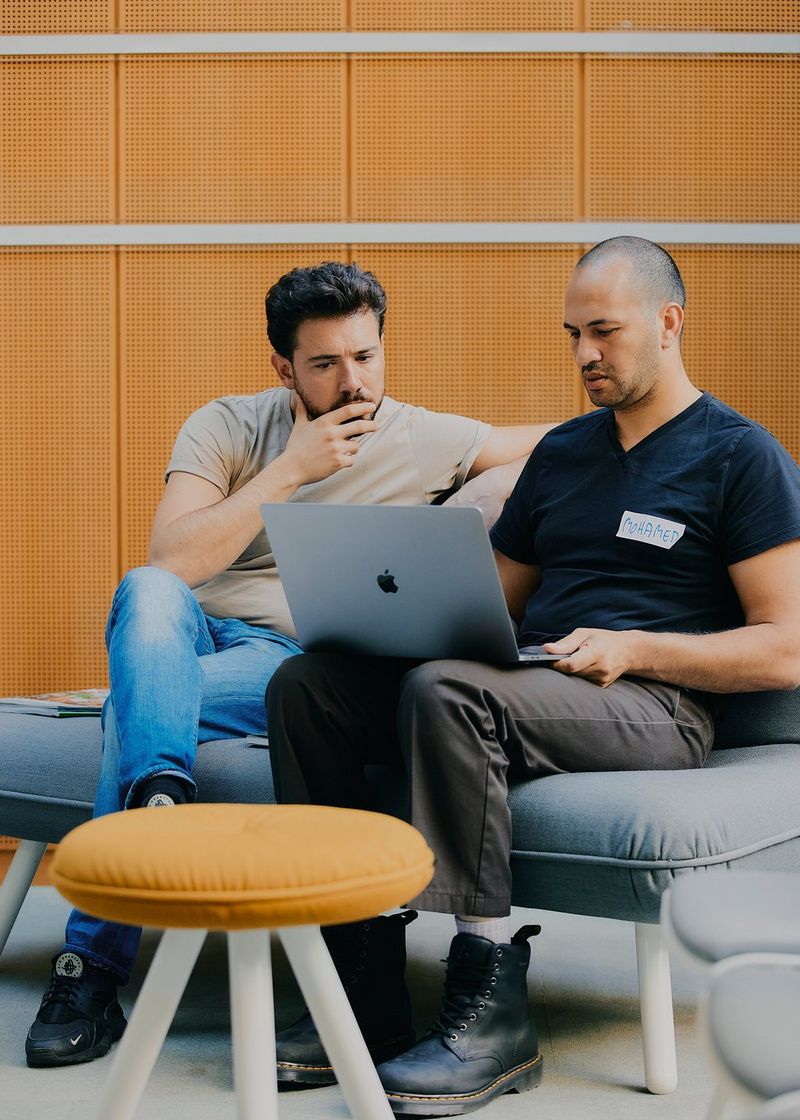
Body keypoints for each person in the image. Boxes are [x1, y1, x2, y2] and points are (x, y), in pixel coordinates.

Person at [266, 237, 800, 1116]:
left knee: (448, 691)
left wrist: (637, 647)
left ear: (668, 324)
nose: (585, 354)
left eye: (604, 331)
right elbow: (490, 607)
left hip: (655, 703)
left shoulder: (740, 456)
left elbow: (783, 646)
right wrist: (387, 618)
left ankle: (492, 1018)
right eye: (572, 335)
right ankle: (359, 982)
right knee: (307, 688)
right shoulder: (563, 455)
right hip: (539, 681)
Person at [25, 262, 552, 1069]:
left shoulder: (419, 435)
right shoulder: (228, 425)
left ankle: (88, 973)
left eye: (368, 357)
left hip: (284, 660)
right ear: (283, 368)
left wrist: (491, 500)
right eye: (326, 364)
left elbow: (561, 443)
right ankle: (162, 795)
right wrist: (294, 468)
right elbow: (172, 562)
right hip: (191, 635)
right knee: (145, 594)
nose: (355, 383)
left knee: (135, 708)